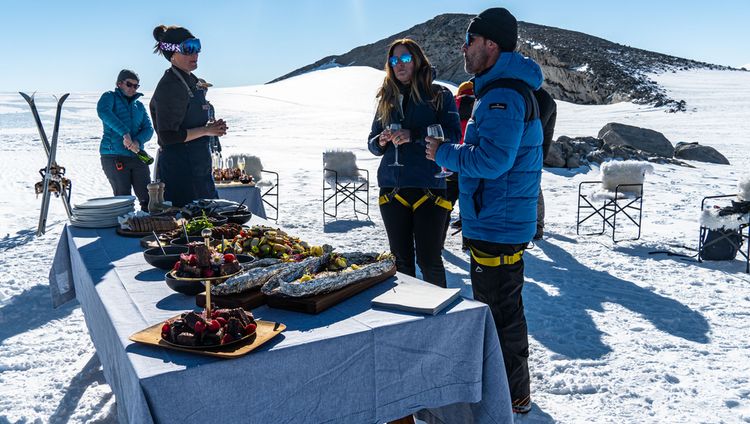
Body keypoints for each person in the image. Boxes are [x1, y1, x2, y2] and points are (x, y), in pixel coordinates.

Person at [425, 7, 543, 414]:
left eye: (470, 41)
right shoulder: (499, 89)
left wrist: (445, 152)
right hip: (498, 217)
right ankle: (512, 392)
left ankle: (508, 397)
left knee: (497, 314)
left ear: (491, 44)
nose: (464, 48)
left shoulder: (504, 95)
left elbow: (493, 160)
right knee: (502, 307)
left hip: (498, 221)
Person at [367, 38, 461, 287]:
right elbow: (372, 144)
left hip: (429, 187)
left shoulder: (439, 94)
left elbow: (453, 135)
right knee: (401, 262)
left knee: (429, 261)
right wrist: (382, 140)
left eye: (405, 58)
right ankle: (408, 320)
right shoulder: (386, 98)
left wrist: (415, 135)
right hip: (392, 189)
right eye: (394, 60)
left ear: (417, 60)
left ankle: (440, 322)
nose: (399, 65)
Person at [149, 25, 228, 207]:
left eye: (197, 46)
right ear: (172, 54)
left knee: (210, 225)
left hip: (199, 170)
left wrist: (211, 128)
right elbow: (168, 136)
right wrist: (206, 130)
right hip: (182, 174)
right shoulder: (170, 86)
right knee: (190, 227)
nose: (195, 54)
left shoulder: (191, 81)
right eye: (188, 48)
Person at [97, 69, 154, 211]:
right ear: (119, 84)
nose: (133, 88)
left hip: (137, 155)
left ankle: (148, 226)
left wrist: (137, 142)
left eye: (136, 86)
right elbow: (103, 112)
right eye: (130, 84)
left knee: (148, 198)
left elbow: (149, 129)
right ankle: (124, 228)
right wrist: (125, 133)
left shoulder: (139, 106)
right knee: (123, 200)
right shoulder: (109, 97)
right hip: (114, 156)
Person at [441, 80, 475, 246]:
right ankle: (467, 243)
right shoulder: (478, 106)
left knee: (445, 204)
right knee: (468, 204)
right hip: (469, 164)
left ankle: (438, 241)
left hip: (451, 162)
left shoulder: (451, 105)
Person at [533, 87, 557, 239]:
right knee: (534, 188)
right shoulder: (546, 99)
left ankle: (534, 225)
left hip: (523, 151)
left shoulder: (522, 93)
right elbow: (548, 132)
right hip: (537, 152)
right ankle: (537, 225)